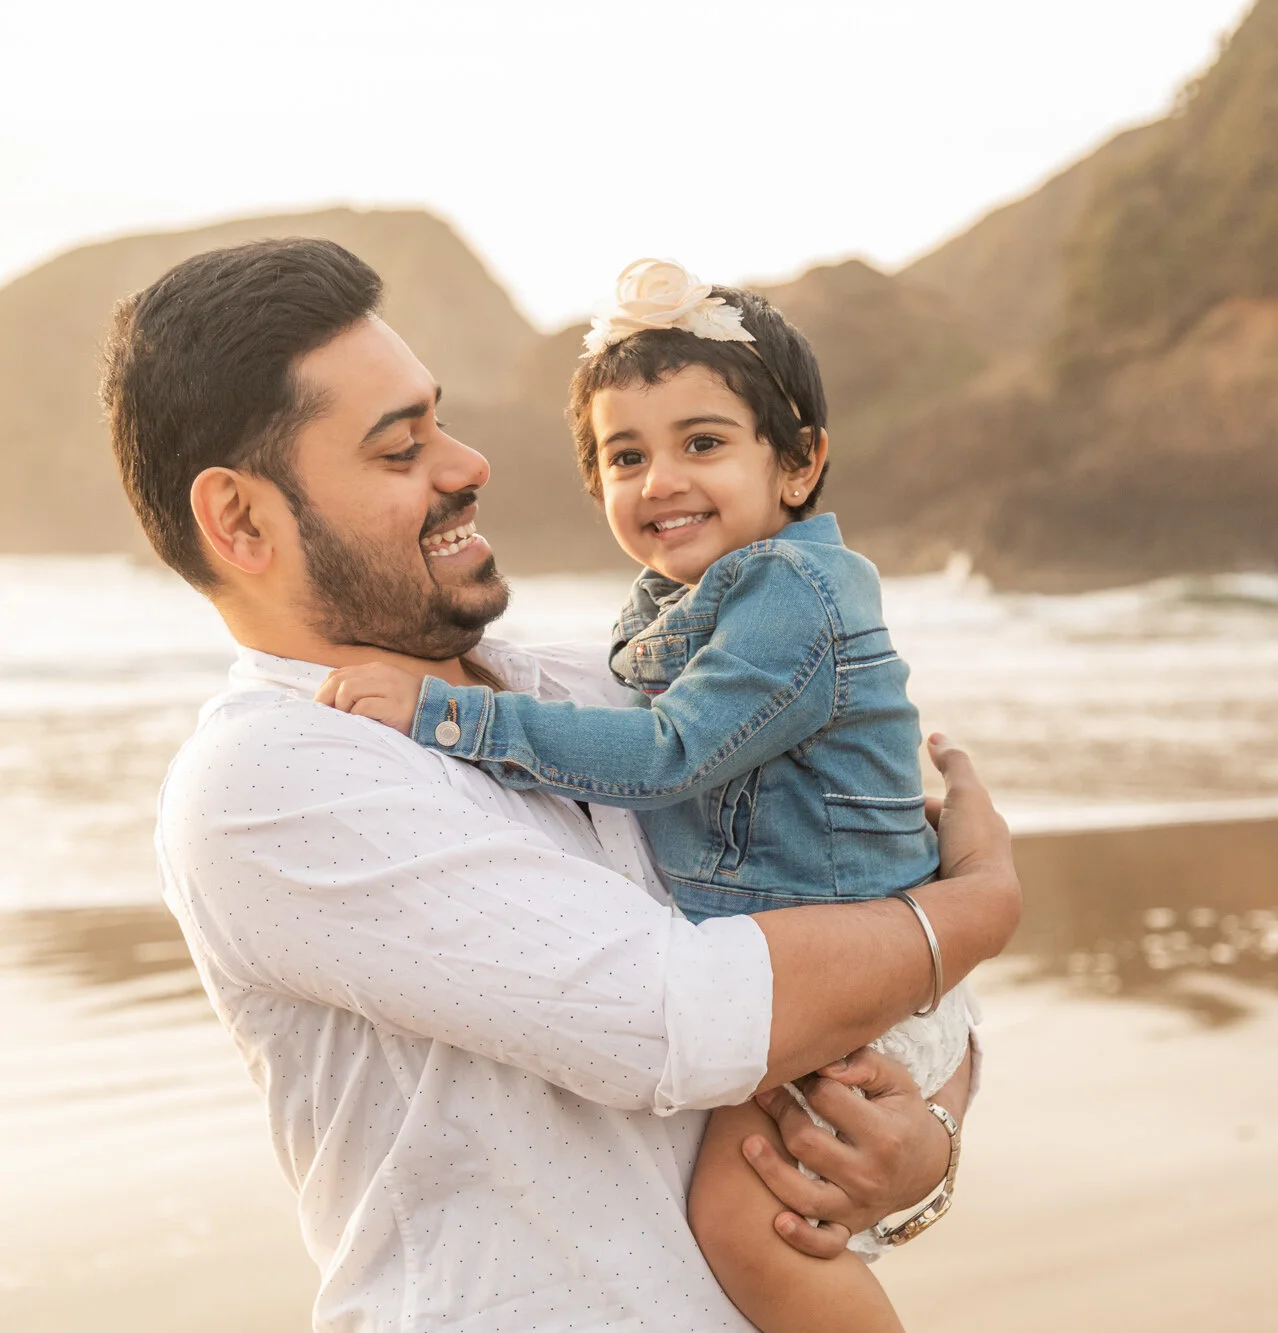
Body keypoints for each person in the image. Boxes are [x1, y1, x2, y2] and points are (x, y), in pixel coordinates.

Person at [100, 236, 1021, 1332]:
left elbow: (871, 930)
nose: (467, 462)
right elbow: (682, 1015)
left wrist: (926, 1138)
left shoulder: (594, 683)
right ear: (240, 520)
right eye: (402, 450)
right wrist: (974, 906)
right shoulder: (267, 778)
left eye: (439, 420)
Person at [315, 260, 969, 1333]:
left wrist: (446, 716)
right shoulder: (679, 601)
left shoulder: (789, 592)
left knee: (748, 1224)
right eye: (626, 455)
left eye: (701, 443)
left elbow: (668, 752)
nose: (660, 478)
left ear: (798, 462)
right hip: (837, 961)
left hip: (857, 974)